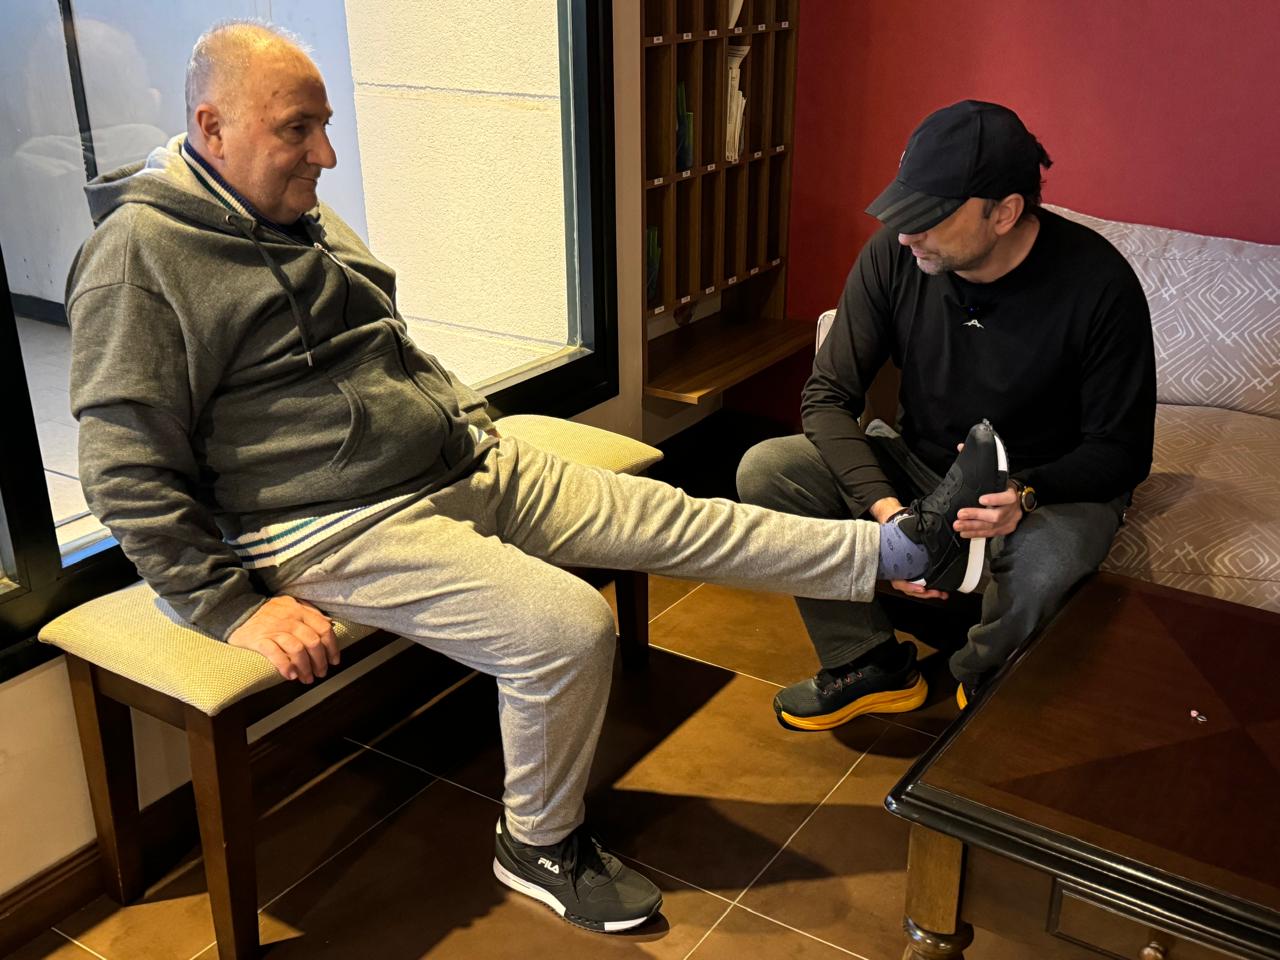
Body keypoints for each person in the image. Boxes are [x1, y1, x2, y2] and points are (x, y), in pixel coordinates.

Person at [65, 24, 1002, 934]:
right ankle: (539, 842)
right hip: (338, 525)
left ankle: (900, 550)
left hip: (458, 463)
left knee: (668, 514)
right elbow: (122, 469)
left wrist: (465, 420)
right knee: (568, 630)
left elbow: (386, 343)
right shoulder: (139, 258)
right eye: (297, 130)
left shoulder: (287, 209)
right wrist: (229, 607)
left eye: (325, 125)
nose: (326, 156)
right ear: (211, 126)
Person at [738, 99, 1156, 731]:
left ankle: (982, 676)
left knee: (1048, 562)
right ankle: (866, 661)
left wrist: (1025, 493)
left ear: (1004, 212)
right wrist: (892, 520)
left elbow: (1122, 451)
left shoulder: (1099, 285)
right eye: (903, 211)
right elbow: (826, 398)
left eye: (929, 217)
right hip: (920, 466)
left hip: (1044, 487)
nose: (907, 234)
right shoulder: (894, 256)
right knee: (768, 469)